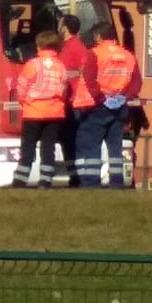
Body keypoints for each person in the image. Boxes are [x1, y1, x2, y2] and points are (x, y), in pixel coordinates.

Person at [75, 22, 142, 189]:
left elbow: (90, 80)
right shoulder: (128, 55)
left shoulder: (95, 53)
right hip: (119, 106)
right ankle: (117, 181)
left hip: (98, 106)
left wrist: (101, 98)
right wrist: (125, 97)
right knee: (115, 147)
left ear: (99, 36)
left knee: (91, 146)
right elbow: (137, 82)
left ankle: (91, 183)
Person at [11, 30, 69, 189]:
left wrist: (24, 102)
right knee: (48, 147)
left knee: (28, 146)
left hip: (33, 112)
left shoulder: (32, 65)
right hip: (55, 113)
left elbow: (21, 87)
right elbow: (63, 90)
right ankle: (46, 180)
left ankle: (21, 179)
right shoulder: (60, 66)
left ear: (39, 45)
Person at [56, 15, 93, 187]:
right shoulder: (66, 46)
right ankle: (74, 176)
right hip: (67, 100)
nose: (58, 26)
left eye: (60, 23)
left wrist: (68, 75)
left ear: (65, 28)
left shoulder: (76, 46)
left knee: (74, 139)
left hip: (75, 101)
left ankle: (78, 177)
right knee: (66, 140)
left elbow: (84, 70)